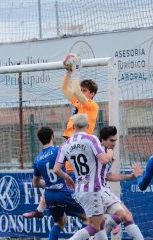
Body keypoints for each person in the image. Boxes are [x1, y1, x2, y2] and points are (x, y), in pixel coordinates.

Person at [23, 55, 99, 219]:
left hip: (80, 149)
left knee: (82, 204)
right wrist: (68, 72)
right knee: (56, 182)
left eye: (86, 91)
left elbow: (76, 90)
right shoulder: (79, 104)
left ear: (92, 94)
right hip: (70, 147)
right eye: (82, 90)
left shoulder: (91, 105)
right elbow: (65, 89)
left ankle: (102, 219)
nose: (82, 92)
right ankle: (40, 210)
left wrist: (76, 71)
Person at [52, 114, 129, 240]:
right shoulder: (91, 139)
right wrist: (110, 154)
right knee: (94, 226)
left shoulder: (65, 145)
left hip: (80, 189)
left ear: (73, 127)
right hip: (93, 189)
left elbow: (56, 169)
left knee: (98, 223)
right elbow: (104, 159)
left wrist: (67, 177)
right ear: (88, 126)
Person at [87, 126, 153, 240]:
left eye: (115, 140)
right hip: (98, 190)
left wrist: (129, 177)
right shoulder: (103, 153)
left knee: (125, 216)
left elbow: (108, 175)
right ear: (103, 140)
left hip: (102, 190)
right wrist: (110, 154)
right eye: (111, 141)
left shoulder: (105, 153)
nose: (114, 143)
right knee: (124, 215)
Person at [32, 126, 92, 240]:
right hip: (64, 192)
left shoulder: (37, 159)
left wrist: (49, 185)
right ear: (53, 136)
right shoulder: (59, 149)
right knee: (89, 219)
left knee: (60, 222)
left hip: (49, 195)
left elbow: (35, 183)